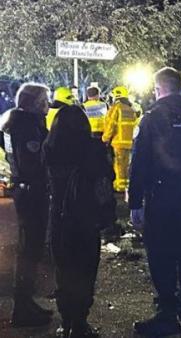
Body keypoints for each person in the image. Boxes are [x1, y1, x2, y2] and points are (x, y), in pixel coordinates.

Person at [129, 67, 181, 335]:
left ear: (159, 88)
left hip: (161, 197)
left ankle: (166, 314)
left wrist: (134, 203)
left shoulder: (152, 117)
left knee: (161, 256)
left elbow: (139, 164)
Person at [43, 105, 115, 338]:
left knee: (64, 270)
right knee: (85, 270)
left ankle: (66, 320)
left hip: (60, 217)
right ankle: (80, 322)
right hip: (87, 218)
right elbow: (107, 178)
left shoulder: (50, 147)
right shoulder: (93, 147)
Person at [0, 82, 53, 327]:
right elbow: (36, 162)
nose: (48, 105)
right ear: (33, 102)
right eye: (45, 100)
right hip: (33, 193)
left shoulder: (12, 123)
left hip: (23, 190)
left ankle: (25, 302)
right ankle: (22, 307)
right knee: (30, 250)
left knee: (28, 250)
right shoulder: (28, 126)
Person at [102, 86, 137, 192]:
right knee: (126, 166)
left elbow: (111, 124)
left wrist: (105, 138)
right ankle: (125, 186)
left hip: (118, 143)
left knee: (118, 166)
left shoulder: (116, 108)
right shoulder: (131, 109)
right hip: (129, 142)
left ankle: (120, 188)